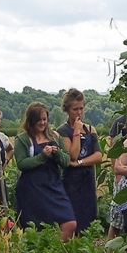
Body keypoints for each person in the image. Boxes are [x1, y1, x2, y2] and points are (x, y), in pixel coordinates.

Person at [13, 102, 76, 241]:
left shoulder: (55, 136)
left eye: (44, 119)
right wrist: (42, 156)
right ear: (31, 120)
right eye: (38, 119)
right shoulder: (23, 139)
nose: (42, 123)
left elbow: (66, 160)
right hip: (32, 188)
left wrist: (57, 153)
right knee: (37, 228)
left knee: (70, 223)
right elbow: (22, 163)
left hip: (53, 185)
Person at [57, 89, 103, 235]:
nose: (78, 113)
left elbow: (98, 156)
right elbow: (73, 155)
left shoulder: (90, 129)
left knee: (87, 220)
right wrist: (76, 131)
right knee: (72, 219)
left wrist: (81, 163)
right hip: (71, 182)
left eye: (81, 109)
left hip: (87, 180)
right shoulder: (62, 131)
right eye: (75, 109)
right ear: (67, 110)